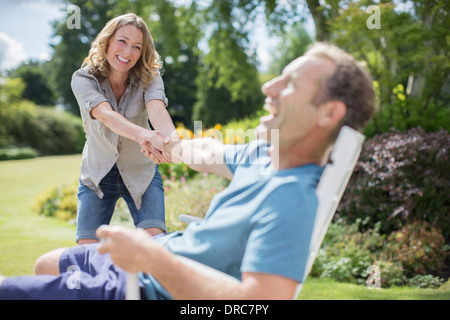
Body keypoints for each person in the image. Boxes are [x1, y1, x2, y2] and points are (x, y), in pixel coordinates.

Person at [0, 42, 376, 300]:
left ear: (328, 113)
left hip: (144, 283)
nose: (269, 85)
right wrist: (169, 143)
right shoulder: (266, 155)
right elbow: (208, 151)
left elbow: (259, 301)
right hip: (156, 255)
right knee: (46, 264)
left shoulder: (293, 197)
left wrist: (150, 259)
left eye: (290, 83)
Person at [70, 13, 177, 245]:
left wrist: (172, 143)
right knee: (87, 255)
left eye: (137, 47)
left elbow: (157, 110)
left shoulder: (150, 76)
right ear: (107, 40)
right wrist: (146, 136)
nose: (128, 52)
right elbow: (106, 115)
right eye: (122, 41)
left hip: (141, 171)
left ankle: (146, 283)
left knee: (156, 245)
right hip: (97, 175)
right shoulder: (83, 79)